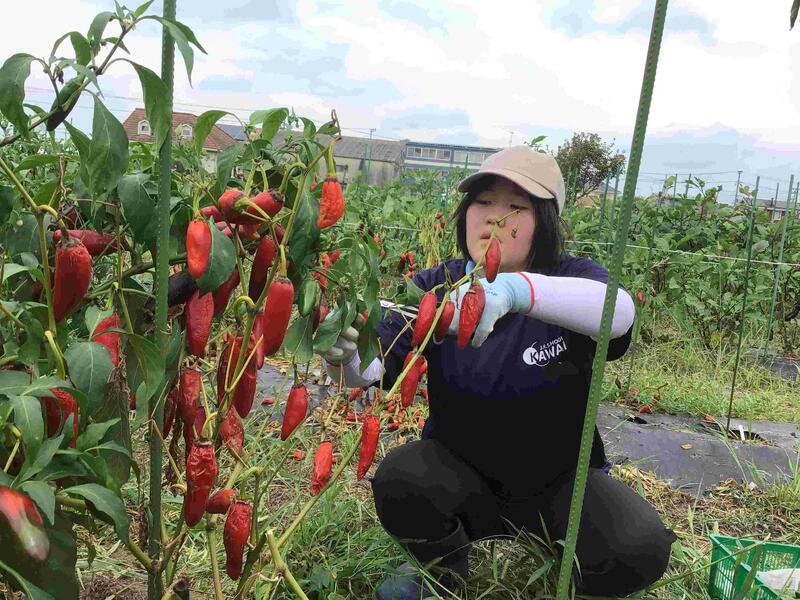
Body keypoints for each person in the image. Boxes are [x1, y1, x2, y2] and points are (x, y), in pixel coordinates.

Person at [317, 146, 677, 599]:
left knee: (638, 546)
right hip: (460, 478)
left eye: (516, 207)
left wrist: (516, 290)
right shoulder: (436, 288)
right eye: (483, 202)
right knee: (401, 478)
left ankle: (572, 583)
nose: (494, 217)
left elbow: (619, 314)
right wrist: (344, 356)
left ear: (545, 222)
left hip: (560, 486)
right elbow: (374, 369)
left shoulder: (568, 281)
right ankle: (442, 570)